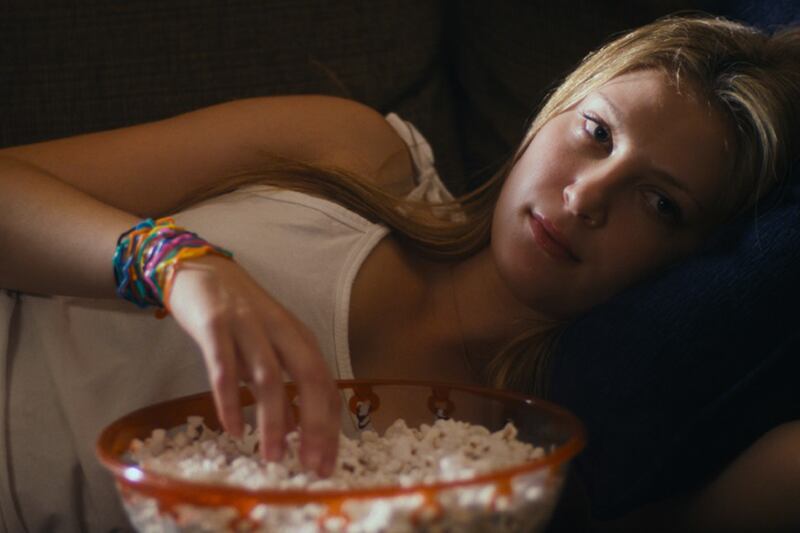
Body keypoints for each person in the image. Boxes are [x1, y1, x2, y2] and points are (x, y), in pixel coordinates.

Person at [0, 13, 798, 532]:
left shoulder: (501, 467)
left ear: (691, 264)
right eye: (596, 132)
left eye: (659, 203)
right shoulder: (355, 154)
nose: (588, 196)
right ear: (556, 106)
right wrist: (176, 264)